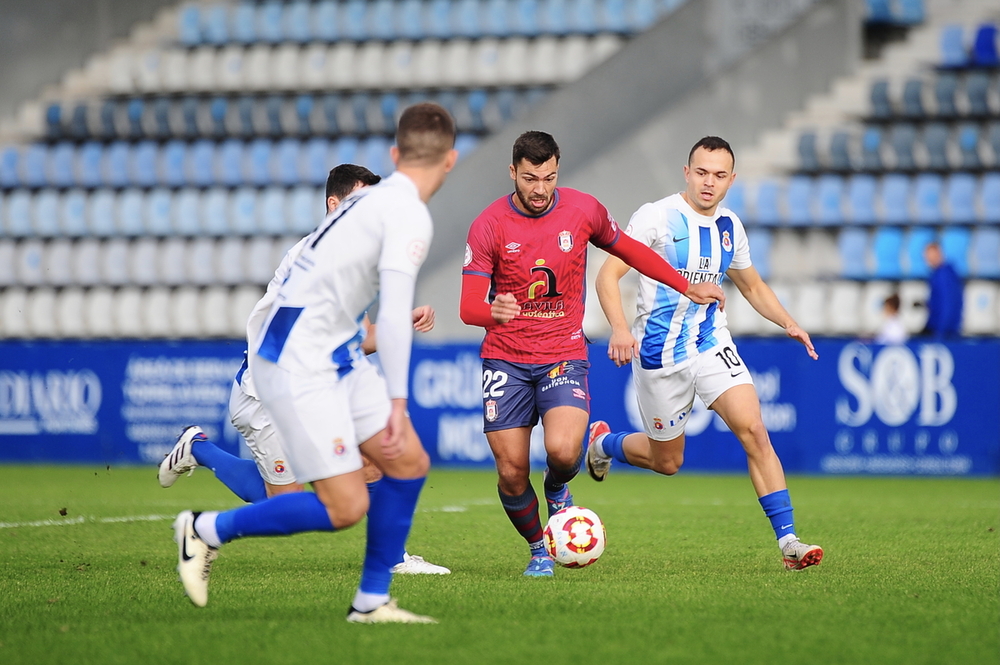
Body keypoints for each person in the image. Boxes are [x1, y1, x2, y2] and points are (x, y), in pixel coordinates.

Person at [171, 102, 458, 623]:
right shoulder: (406, 213)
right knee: (345, 506)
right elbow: (392, 316)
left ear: (396, 155)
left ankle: (372, 600)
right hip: (297, 360)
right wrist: (397, 400)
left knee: (408, 462)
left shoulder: (360, 206)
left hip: (325, 350)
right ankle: (205, 529)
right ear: (451, 161)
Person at [459, 130, 725, 577]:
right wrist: (492, 312)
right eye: (529, 178)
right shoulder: (488, 224)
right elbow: (468, 308)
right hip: (505, 357)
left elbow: (631, 251)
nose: (540, 188)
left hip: (562, 353)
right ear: (513, 173)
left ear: (557, 170)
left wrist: (684, 284)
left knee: (563, 453)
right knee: (510, 471)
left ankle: (559, 488)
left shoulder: (583, 209)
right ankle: (538, 549)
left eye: (548, 177)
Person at [587, 136, 823, 571]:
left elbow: (751, 285)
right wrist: (620, 329)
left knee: (754, 429)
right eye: (701, 172)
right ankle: (604, 444)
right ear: (686, 172)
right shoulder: (656, 217)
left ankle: (789, 541)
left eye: (718, 175)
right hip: (659, 355)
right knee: (668, 462)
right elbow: (608, 276)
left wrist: (788, 322)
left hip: (711, 344)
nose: (708, 183)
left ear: (732, 179)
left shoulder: (730, 226)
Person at [921, 241, 963, 338]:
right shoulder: (937, 274)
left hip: (944, 331)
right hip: (937, 328)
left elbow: (947, 304)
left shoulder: (944, 275)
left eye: (929, 255)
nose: (927, 259)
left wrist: (941, 332)